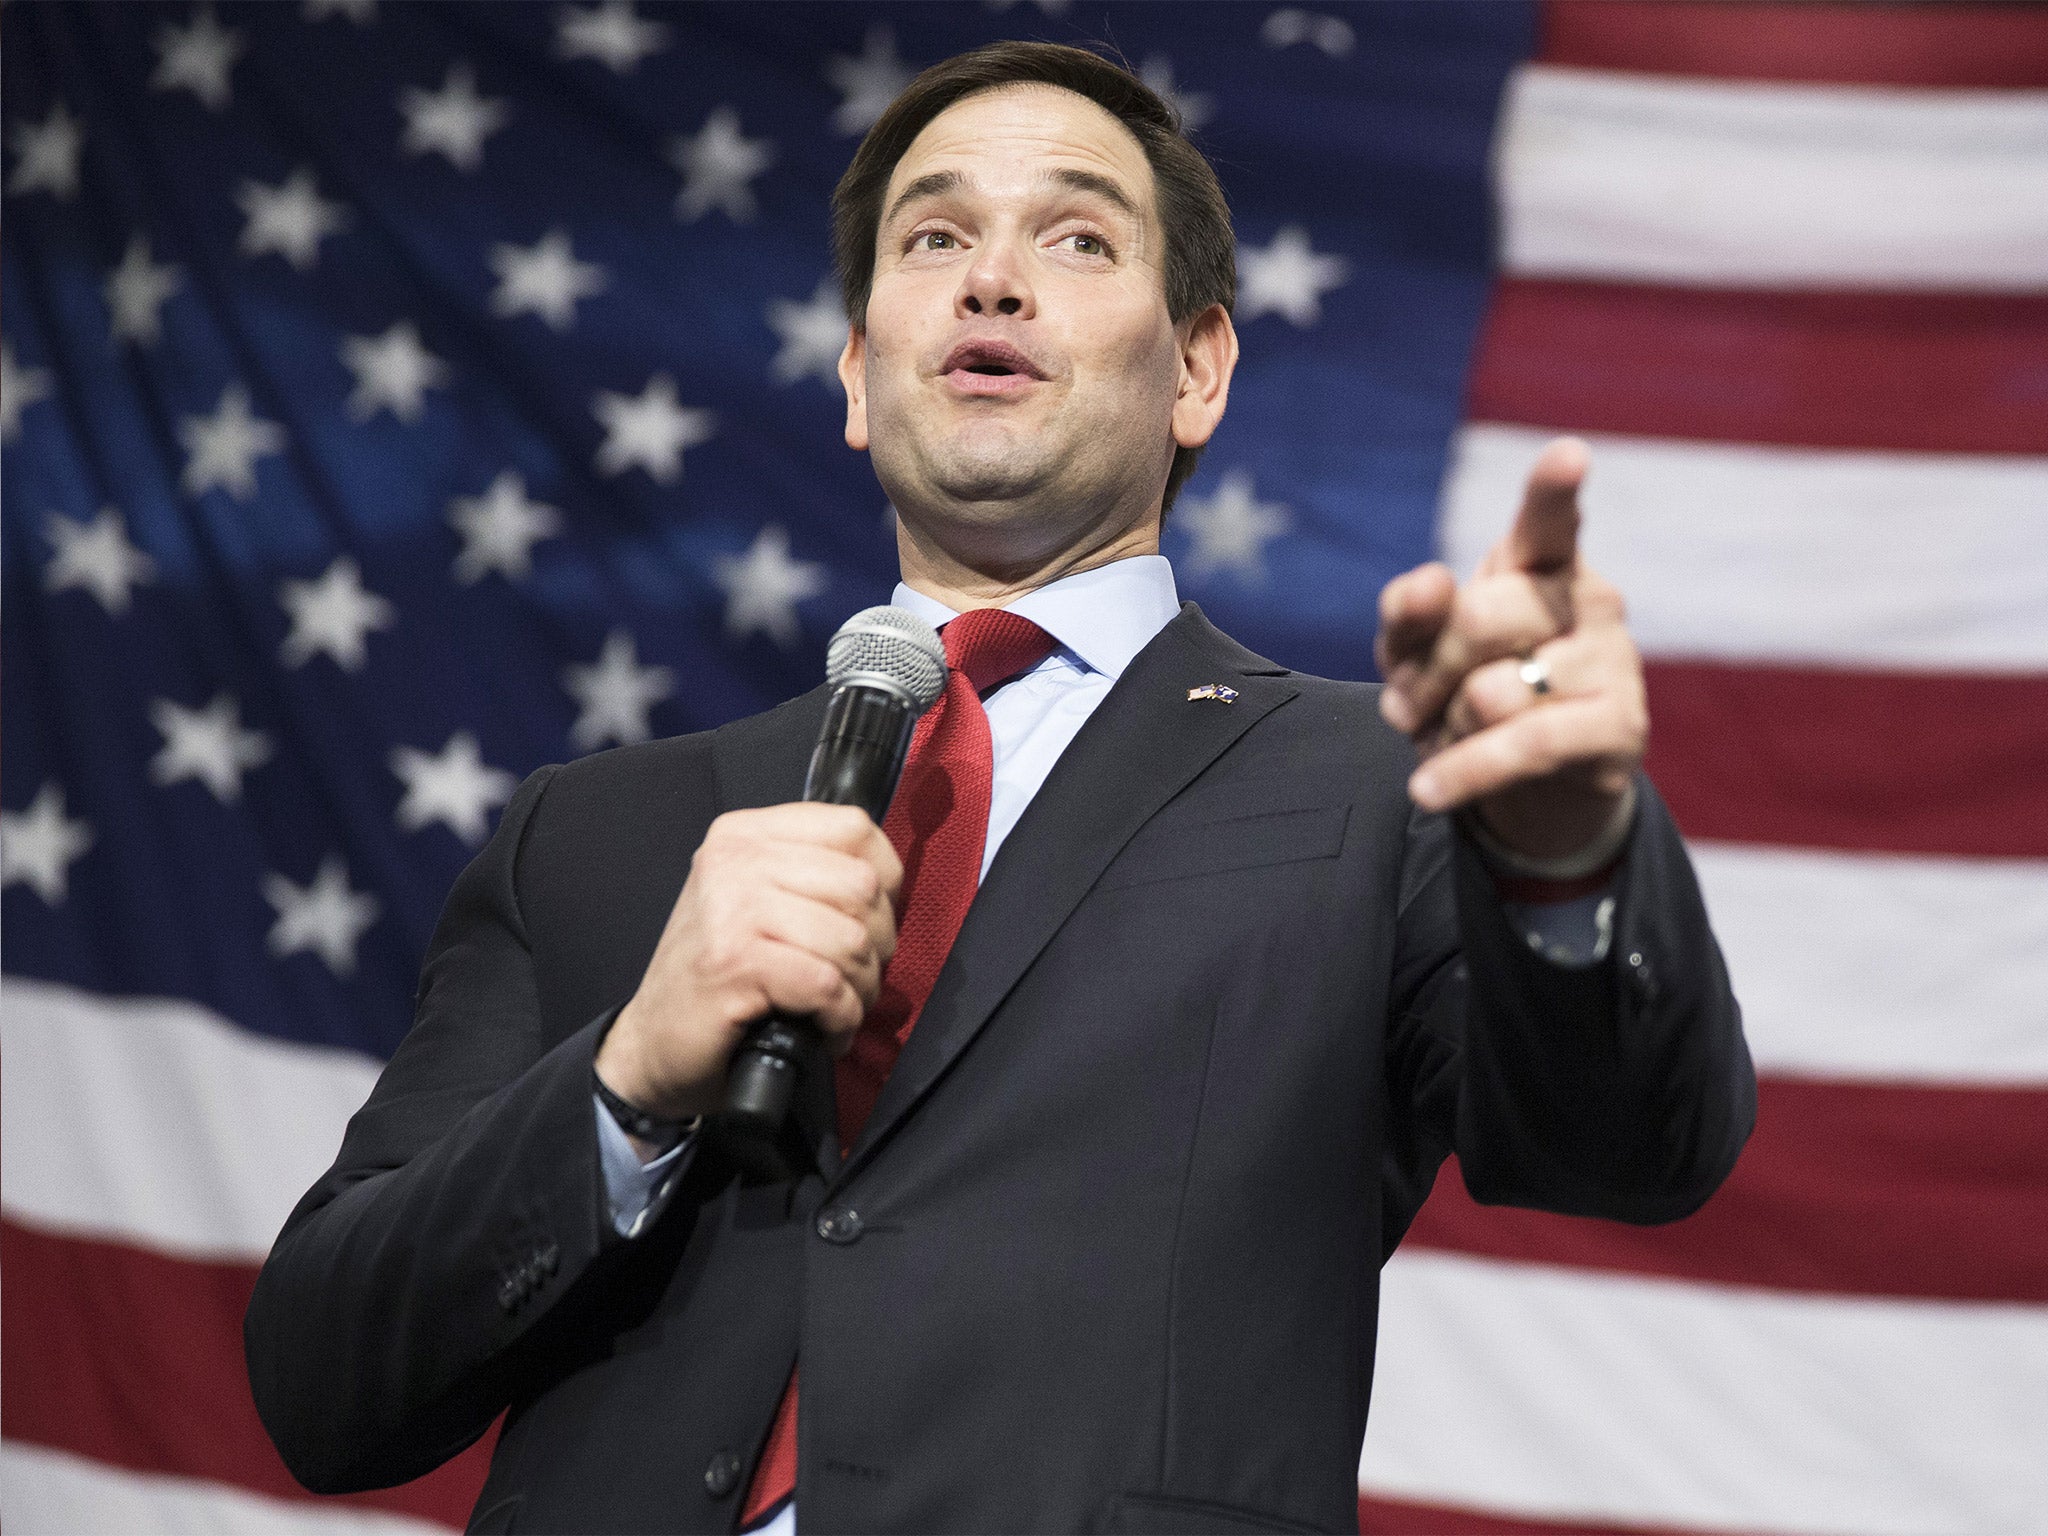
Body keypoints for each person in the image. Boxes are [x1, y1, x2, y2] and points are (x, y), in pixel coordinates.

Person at [245, 42, 1752, 1536]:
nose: (991, 282)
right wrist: (630, 1078)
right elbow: (325, 1382)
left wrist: (1566, 855)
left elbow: (1633, 1150)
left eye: (1079, 238)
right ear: (856, 370)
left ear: (1199, 369)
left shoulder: (1383, 787)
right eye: (936, 238)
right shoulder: (602, 830)